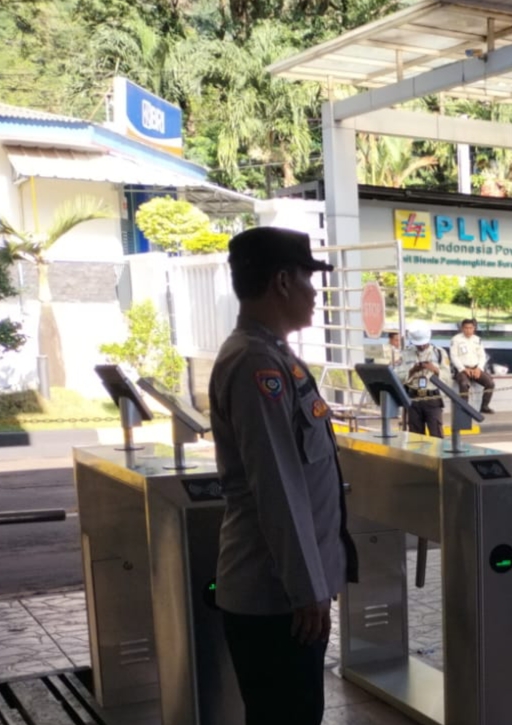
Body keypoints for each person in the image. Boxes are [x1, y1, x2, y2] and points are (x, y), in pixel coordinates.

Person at [209, 227, 358, 725]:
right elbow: (277, 485)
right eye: (308, 278)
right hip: (275, 597)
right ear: (281, 282)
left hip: (283, 593)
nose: (315, 292)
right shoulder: (257, 362)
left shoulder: (272, 353)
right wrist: (306, 587)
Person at [397, 324, 450, 437]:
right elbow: (397, 376)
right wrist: (412, 371)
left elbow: (447, 376)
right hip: (414, 397)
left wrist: (434, 369)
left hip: (432, 397)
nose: (421, 346)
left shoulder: (439, 353)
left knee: (436, 433)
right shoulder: (405, 353)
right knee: (416, 436)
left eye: (423, 343)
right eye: (418, 344)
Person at [450, 318, 495, 414]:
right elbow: (454, 356)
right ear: (462, 328)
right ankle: (464, 408)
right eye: (466, 328)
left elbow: (482, 356)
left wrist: (479, 368)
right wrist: (463, 369)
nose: (468, 330)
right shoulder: (456, 339)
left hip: (475, 368)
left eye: (470, 328)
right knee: (464, 384)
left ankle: (484, 406)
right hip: (462, 369)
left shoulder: (477, 340)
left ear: (474, 328)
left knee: (490, 383)